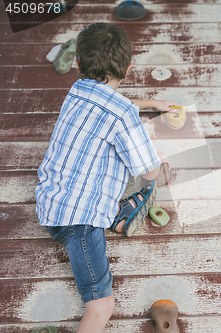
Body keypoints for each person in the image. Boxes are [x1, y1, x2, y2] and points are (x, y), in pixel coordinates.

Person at [35, 23, 174, 333]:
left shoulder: (76, 90)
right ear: (128, 68)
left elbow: (113, 103)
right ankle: (115, 215)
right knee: (101, 305)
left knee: (105, 153)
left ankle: (116, 216)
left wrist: (150, 104)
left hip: (51, 201)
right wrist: (159, 161)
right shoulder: (123, 114)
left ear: (77, 64)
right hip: (78, 222)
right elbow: (147, 170)